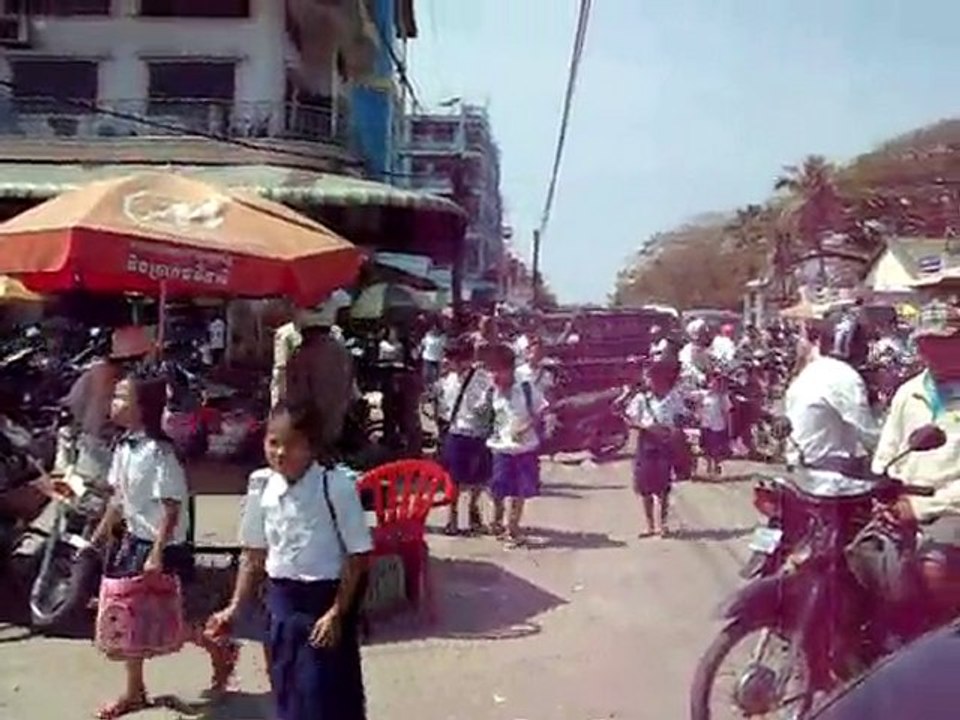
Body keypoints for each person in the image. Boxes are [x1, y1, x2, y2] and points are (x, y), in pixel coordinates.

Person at [207, 404, 372, 720]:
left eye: (292, 444)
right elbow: (253, 554)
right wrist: (235, 607)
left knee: (324, 693)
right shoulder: (261, 485)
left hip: (323, 602)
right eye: (273, 442)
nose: (281, 452)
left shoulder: (335, 485)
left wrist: (336, 612)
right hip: (281, 602)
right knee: (287, 687)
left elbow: (358, 555)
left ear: (311, 445)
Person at [90, 376, 236, 719]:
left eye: (121, 397)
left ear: (142, 408)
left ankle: (219, 649)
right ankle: (134, 691)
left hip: (162, 547)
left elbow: (172, 507)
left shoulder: (160, 454)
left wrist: (156, 553)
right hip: (133, 542)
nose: (113, 402)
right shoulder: (124, 447)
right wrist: (97, 538)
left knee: (169, 619)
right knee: (129, 618)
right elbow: (118, 499)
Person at [871, 299, 960, 620]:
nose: (934, 350)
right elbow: (888, 450)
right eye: (927, 341)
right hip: (903, 501)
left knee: (933, 566)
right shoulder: (909, 392)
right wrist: (882, 491)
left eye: (944, 341)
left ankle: (940, 642)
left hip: (949, 508)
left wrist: (920, 508)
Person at [784, 316, 879, 470]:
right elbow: (867, 432)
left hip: (799, 465)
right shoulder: (845, 376)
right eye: (864, 343)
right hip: (827, 473)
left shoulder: (812, 371)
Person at [62, 326, 153, 480]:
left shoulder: (91, 374)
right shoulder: (132, 380)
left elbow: (73, 404)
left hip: (90, 443)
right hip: (114, 446)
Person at [484, 344, 547, 548]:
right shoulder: (491, 390)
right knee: (497, 489)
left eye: (497, 370)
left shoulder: (527, 388)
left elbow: (542, 411)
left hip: (524, 449)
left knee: (519, 491)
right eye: (490, 370)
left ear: (509, 369)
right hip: (500, 448)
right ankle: (498, 517)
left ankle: (513, 526)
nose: (493, 375)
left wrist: (526, 426)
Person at [626, 353, 686, 537]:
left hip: (665, 444)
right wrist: (647, 427)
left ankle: (663, 525)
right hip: (646, 442)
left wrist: (673, 429)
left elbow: (682, 416)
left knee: (663, 488)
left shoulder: (674, 397)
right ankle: (649, 525)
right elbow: (629, 419)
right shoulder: (641, 399)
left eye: (651, 376)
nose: (648, 380)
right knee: (645, 488)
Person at [437, 341, 494, 535]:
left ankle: (472, 511)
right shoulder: (448, 379)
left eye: (451, 359)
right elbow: (444, 405)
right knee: (453, 479)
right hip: (456, 432)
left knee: (479, 478)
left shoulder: (484, 379)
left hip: (477, 433)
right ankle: (451, 519)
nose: (448, 362)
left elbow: (483, 408)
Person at [283, 309, 356, 452]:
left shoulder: (303, 354)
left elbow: (297, 392)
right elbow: (350, 383)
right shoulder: (342, 351)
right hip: (337, 418)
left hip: (310, 424)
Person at [696, 371, 732, 479]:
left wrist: (728, 427)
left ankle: (716, 465)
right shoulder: (704, 395)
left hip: (718, 426)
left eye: (716, 383)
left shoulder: (723, 397)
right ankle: (709, 465)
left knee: (716, 449)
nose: (713, 385)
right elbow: (699, 408)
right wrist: (698, 416)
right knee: (706, 448)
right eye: (712, 382)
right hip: (705, 425)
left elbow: (727, 413)